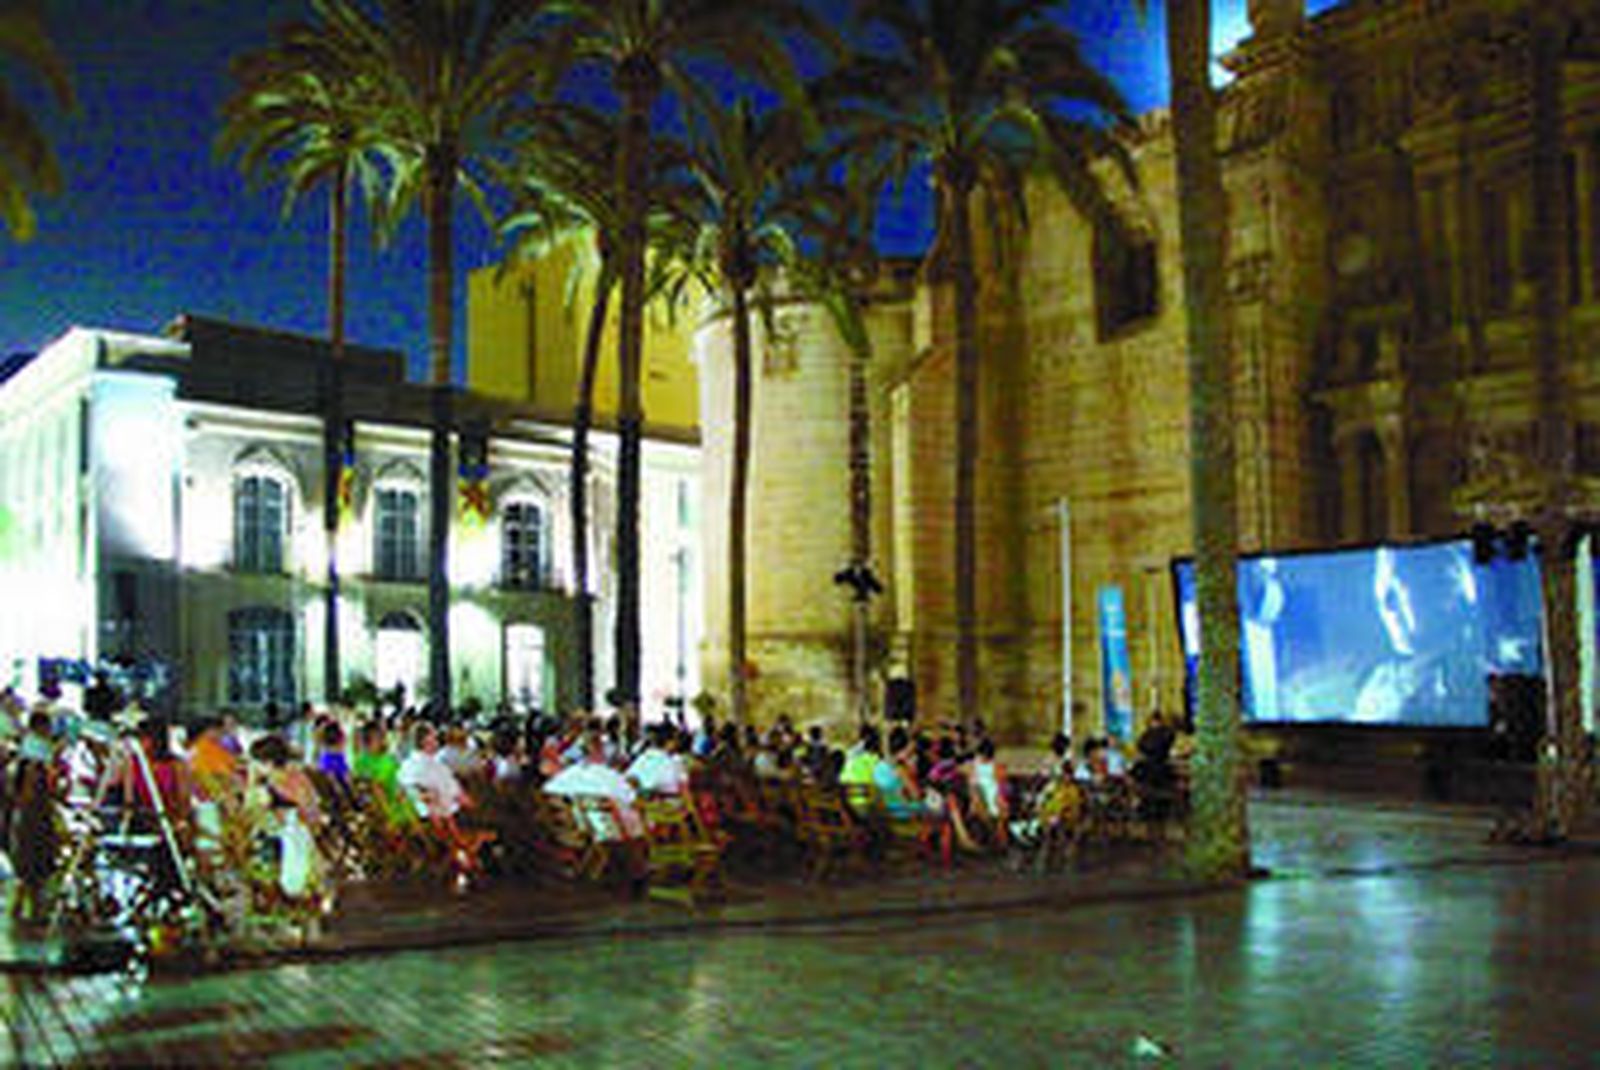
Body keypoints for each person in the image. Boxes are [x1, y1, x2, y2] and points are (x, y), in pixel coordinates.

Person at [8, 713, 60, 923]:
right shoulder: (36, 752)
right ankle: (33, 909)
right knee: (34, 861)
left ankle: (22, 907)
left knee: (28, 864)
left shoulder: (26, 748)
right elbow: (32, 780)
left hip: (28, 813)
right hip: (35, 815)